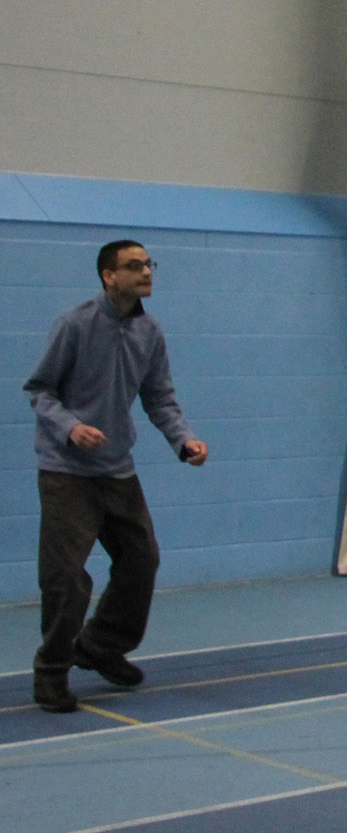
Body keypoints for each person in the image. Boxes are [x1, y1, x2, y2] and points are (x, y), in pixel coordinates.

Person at [24, 240, 208, 714]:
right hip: (67, 472)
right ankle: (52, 670)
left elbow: (160, 399)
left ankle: (101, 646)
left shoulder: (150, 332)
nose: (146, 272)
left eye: (149, 264)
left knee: (141, 560)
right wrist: (71, 428)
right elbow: (39, 390)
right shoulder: (74, 324)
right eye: (134, 265)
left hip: (117, 470)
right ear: (108, 276)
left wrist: (183, 439)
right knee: (66, 578)